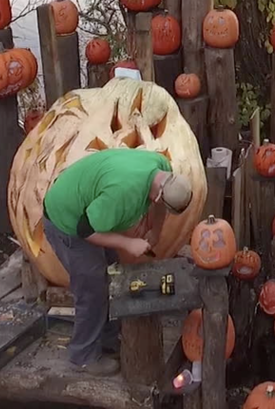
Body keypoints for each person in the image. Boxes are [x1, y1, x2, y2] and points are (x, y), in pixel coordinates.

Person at [42, 149, 194, 375]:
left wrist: (156, 231)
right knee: (92, 288)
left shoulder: (161, 166)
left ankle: (108, 341)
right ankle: (82, 356)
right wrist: (127, 244)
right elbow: (85, 230)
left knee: (112, 276)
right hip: (67, 221)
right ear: (160, 194)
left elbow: (160, 204)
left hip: (91, 212)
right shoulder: (123, 194)